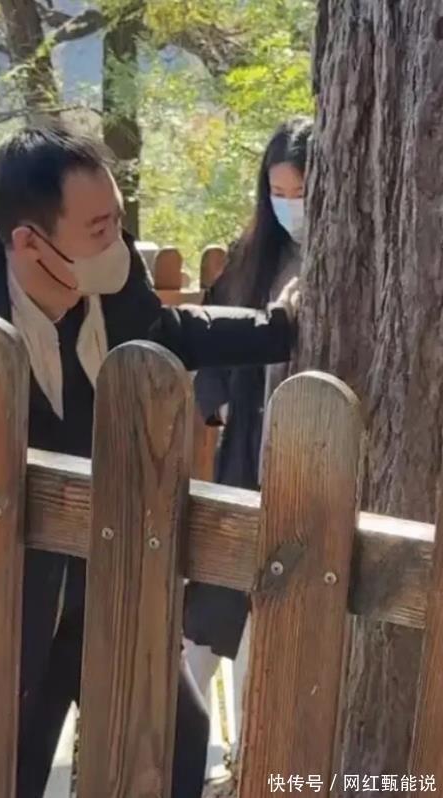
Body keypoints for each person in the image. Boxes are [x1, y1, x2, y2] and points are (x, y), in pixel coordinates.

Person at [0, 125, 299, 798]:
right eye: (98, 228)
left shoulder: (108, 276)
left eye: (116, 220)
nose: (116, 241)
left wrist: (279, 328)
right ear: (29, 243)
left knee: (177, 745)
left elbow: (166, 334)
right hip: (2, 616)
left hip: (107, 580)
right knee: (7, 776)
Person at [183, 117, 313, 692]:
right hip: (244, 454)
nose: (289, 207)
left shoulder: (348, 256)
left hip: (307, 460)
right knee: (211, 607)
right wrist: (219, 404)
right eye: (277, 192)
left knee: (275, 621)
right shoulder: (253, 254)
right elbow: (207, 337)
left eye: (300, 193)